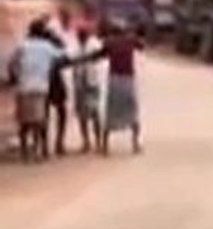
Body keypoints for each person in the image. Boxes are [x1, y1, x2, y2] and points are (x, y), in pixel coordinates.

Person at [7, 20, 66, 162]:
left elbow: (11, 64)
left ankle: (24, 152)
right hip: (40, 87)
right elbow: (63, 56)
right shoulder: (48, 46)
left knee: (24, 122)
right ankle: (39, 151)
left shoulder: (22, 45)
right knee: (39, 121)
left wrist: (14, 76)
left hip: (23, 87)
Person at [90, 19, 145, 155]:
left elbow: (99, 55)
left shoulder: (110, 42)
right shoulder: (130, 40)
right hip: (128, 80)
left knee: (111, 112)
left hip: (115, 80)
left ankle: (104, 146)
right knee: (132, 112)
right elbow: (142, 46)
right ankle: (136, 144)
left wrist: (89, 57)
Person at [72, 23, 103, 153]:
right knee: (82, 116)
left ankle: (98, 141)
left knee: (95, 113)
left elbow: (100, 59)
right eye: (79, 34)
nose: (80, 36)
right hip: (80, 84)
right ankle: (86, 142)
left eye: (82, 33)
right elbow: (72, 62)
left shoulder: (95, 44)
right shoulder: (75, 47)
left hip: (92, 83)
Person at [41, 21, 69, 156]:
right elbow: (65, 56)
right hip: (54, 80)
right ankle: (59, 143)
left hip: (43, 81)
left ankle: (45, 145)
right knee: (61, 112)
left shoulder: (34, 40)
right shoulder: (54, 41)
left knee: (44, 114)